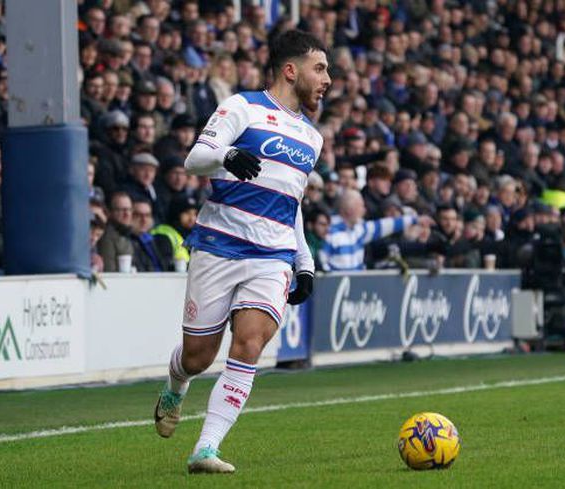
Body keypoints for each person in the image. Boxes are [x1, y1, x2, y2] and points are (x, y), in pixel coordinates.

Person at [153, 29, 331, 474]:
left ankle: (206, 448)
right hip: (218, 245)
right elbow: (196, 158)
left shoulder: (312, 138)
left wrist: (303, 261)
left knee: (250, 342)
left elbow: (293, 203)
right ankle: (176, 383)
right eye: (320, 68)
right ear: (291, 70)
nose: (327, 79)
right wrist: (227, 157)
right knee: (198, 356)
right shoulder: (242, 107)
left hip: (271, 256)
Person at [319, 189, 429, 271]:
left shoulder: (359, 229)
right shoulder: (329, 230)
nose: (364, 210)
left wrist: (414, 220)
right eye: (361, 206)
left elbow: (385, 225)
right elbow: (322, 263)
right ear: (349, 209)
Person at [96, 191, 135, 272]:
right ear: (110, 212)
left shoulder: (131, 234)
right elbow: (109, 271)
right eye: (122, 210)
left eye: (129, 209)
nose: (127, 214)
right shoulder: (107, 237)